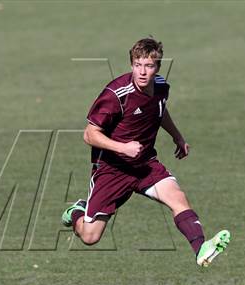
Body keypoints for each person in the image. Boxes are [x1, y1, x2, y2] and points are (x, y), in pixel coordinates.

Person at [61, 37, 230, 267]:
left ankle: (200, 249)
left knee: (178, 199)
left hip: (145, 164)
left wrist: (177, 136)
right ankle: (77, 211)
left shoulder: (160, 87)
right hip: (112, 169)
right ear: (131, 65)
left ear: (157, 67)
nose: (142, 72)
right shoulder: (116, 94)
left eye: (149, 66)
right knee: (90, 236)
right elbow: (89, 134)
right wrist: (122, 147)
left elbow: (159, 110)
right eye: (137, 65)